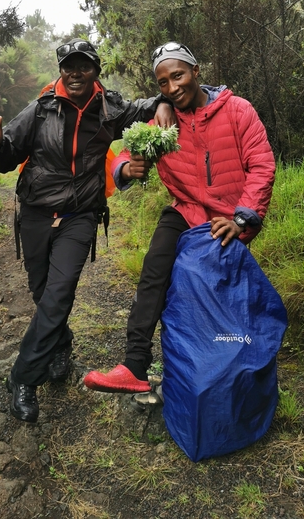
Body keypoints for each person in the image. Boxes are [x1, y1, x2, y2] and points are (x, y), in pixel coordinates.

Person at [0, 38, 175, 422]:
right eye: (69, 65)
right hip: (35, 213)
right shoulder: (39, 110)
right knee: (42, 292)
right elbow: (6, 157)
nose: (75, 72)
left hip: (80, 215)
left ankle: (23, 378)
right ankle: (61, 344)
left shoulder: (110, 107)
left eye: (83, 65)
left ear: (96, 70)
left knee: (59, 292)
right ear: (61, 70)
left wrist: (163, 102)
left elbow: (148, 105)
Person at [83, 41, 276, 393]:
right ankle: (135, 366)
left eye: (178, 76)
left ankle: (237, 375)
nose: (172, 88)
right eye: (163, 84)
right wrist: (126, 169)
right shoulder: (164, 122)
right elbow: (126, 153)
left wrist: (242, 220)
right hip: (185, 211)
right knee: (154, 273)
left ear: (196, 72)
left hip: (228, 219)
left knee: (220, 298)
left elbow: (261, 166)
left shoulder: (237, 111)